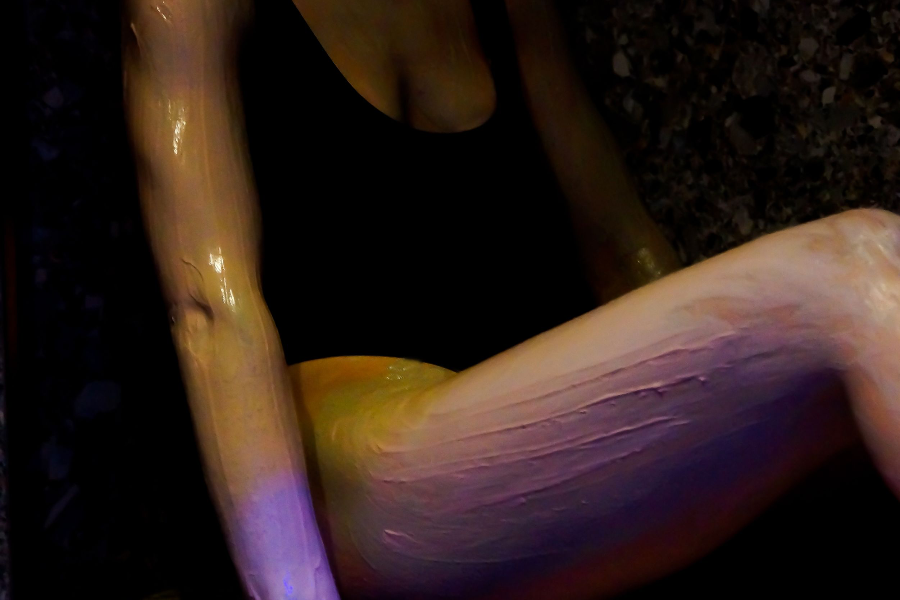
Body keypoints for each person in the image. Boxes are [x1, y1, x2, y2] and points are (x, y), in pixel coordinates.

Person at [123, 1, 900, 599]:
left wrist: (718, 424)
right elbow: (211, 311)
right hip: (351, 467)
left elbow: (620, 248)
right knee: (853, 270)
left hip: (517, 443)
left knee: (850, 350)